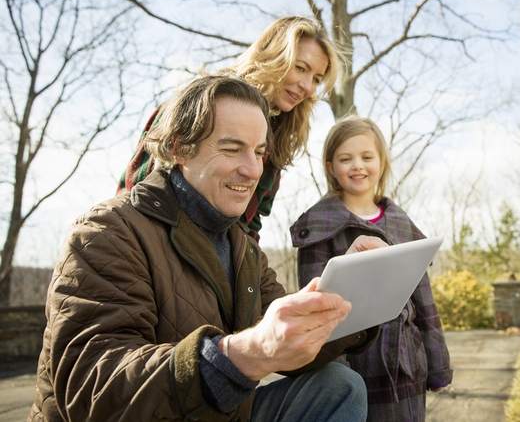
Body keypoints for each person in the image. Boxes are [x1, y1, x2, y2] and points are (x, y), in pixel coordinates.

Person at [29, 76, 384, 422]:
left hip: (221, 413)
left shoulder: (243, 247)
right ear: (179, 147)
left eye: (259, 152)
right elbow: (94, 387)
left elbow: (284, 337)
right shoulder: (107, 231)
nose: (252, 170)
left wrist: (350, 296)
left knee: (338, 386)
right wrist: (240, 355)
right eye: (232, 149)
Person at [290, 116, 453, 422]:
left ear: (382, 162)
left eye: (367, 157)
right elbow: (315, 306)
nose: (357, 166)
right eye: (345, 158)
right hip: (353, 363)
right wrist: (333, 374)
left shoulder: (402, 226)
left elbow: (425, 304)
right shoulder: (318, 227)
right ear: (330, 166)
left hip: (406, 365)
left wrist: (438, 365)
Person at [118, 16, 339, 241]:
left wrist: (246, 272)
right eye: (300, 68)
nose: (307, 86)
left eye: (317, 79)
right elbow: (140, 188)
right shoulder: (202, 103)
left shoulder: (279, 136)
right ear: (272, 55)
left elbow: (250, 224)